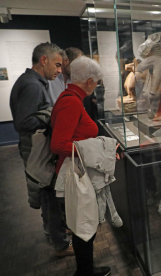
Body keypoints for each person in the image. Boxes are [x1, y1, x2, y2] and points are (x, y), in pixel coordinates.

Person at [9, 42, 74, 257]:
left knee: (48, 194)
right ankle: (61, 244)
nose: (59, 70)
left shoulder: (33, 82)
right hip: (36, 150)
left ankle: (53, 231)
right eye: (56, 65)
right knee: (51, 195)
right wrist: (50, 118)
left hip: (36, 148)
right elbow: (23, 122)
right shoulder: (33, 86)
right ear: (43, 60)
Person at [50, 56, 110, 276]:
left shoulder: (71, 98)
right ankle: (84, 272)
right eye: (97, 82)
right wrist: (95, 149)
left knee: (84, 225)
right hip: (74, 175)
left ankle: (86, 270)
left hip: (76, 172)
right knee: (84, 226)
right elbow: (58, 144)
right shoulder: (71, 101)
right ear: (90, 82)